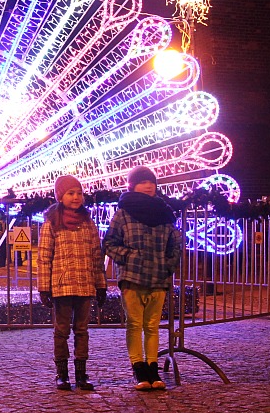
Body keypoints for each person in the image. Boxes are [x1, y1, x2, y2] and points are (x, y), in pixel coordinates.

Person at [104, 165, 182, 391]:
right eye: (143, 181)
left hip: (158, 276)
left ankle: (152, 368)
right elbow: (109, 243)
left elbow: (175, 244)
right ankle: (139, 368)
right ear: (132, 185)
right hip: (133, 276)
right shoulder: (123, 214)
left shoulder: (165, 213)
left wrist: (168, 265)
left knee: (152, 326)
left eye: (152, 181)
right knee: (135, 324)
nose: (149, 185)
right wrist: (129, 257)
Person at [37, 174, 108, 391]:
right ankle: (62, 374)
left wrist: (101, 284)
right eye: (70, 193)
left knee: (82, 330)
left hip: (85, 284)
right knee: (61, 331)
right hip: (62, 286)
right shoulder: (52, 224)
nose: (76, 197)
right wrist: (44, 288)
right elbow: (44, 257)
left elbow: (97, 255)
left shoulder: (88, 223)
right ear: (60, 196)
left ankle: (81, 373)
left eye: (79, 193)